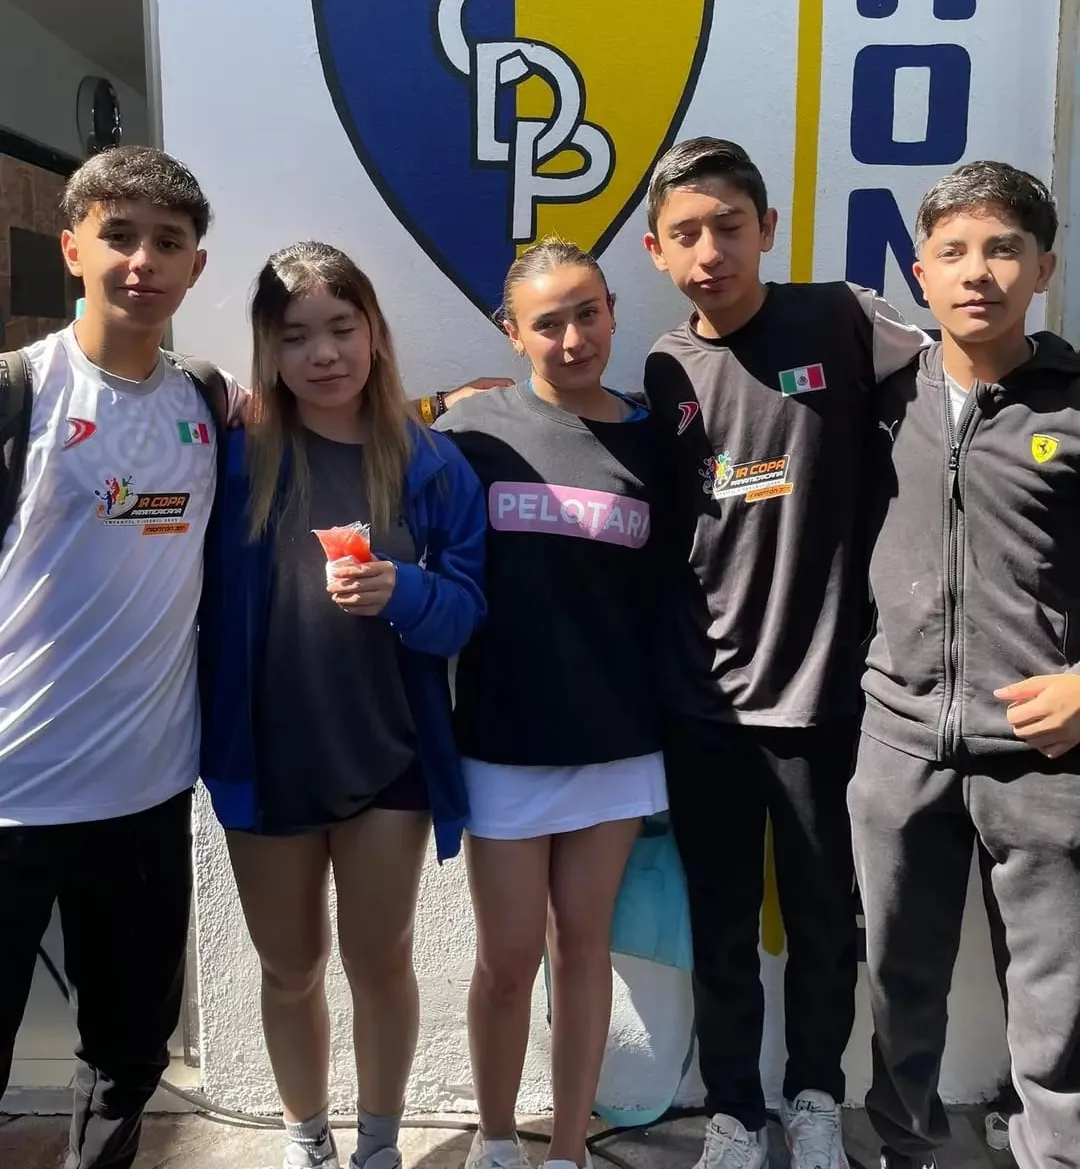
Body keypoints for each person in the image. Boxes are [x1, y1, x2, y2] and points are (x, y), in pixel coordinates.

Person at [641, 138, 928, 1169]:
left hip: (823, 697)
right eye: (685, 234)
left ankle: (814, 1100)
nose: (709, 251)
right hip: (703, 704)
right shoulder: (665, 367)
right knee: (722, 925)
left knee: (822, 923)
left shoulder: (843, 319)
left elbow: (949, 386)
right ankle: (734, 1113)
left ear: (767, 228)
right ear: (656, 251)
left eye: (728, 226)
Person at [198, 241, 487, 1169]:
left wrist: (405, 590)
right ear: (268, 350)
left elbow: (465, 615)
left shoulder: (432, 465)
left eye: (341, 328)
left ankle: (379, 1146)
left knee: (380, 961)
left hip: (390, 757)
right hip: (267, 760)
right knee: (290, 970)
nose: (323, 354)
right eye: (295, 337)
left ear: (374, 333)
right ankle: (306, 1139)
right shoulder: (233, 460)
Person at [0, 146, 243, 1169]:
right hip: (12, 793)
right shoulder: (20, 390)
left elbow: (330, 414)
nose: (143, 261)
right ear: (73, 249)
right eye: (119, 236)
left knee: (128, 1060)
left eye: (167, 242)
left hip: (144, 798)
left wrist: (443, 410)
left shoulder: (207, 399)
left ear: (196, 266)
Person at [850, 162, 1080, 1169]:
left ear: (1045, 269)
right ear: (921, 273)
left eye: (1003, 250)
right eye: (953, 252)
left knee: (1058, 1005)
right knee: (898, 987)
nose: (977, 272)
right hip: (899, 744)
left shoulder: (1073, 407)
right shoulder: (876, 403)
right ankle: (903, 1152)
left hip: (1045, 756)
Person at [436, 239, 668, 1169]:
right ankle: (497, 1140)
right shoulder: (470, 429)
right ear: (511, 332)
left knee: (584, 950)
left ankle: (568, 1149)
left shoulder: (656, 439)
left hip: (616, 737)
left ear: (612, 310)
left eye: (587, 314)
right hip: (502, 740)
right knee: (507, 960)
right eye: (547, 323)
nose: (573, 339)